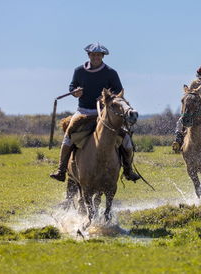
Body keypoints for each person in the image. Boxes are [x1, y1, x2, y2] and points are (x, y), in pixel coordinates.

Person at [49, 42, 140, 182]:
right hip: (83, 111)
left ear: (103, 56)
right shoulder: (79, 71)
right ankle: (61, 170)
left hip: (104, 113)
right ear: (89, 55)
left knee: (126, 138)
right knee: (68, 135)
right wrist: (75, 92)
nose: (96, 57)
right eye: (93, 55)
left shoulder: (111, 73)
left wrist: (106, 98)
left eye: (98, 55)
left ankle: (128, 170)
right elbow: (72, 86)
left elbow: (118, 92)